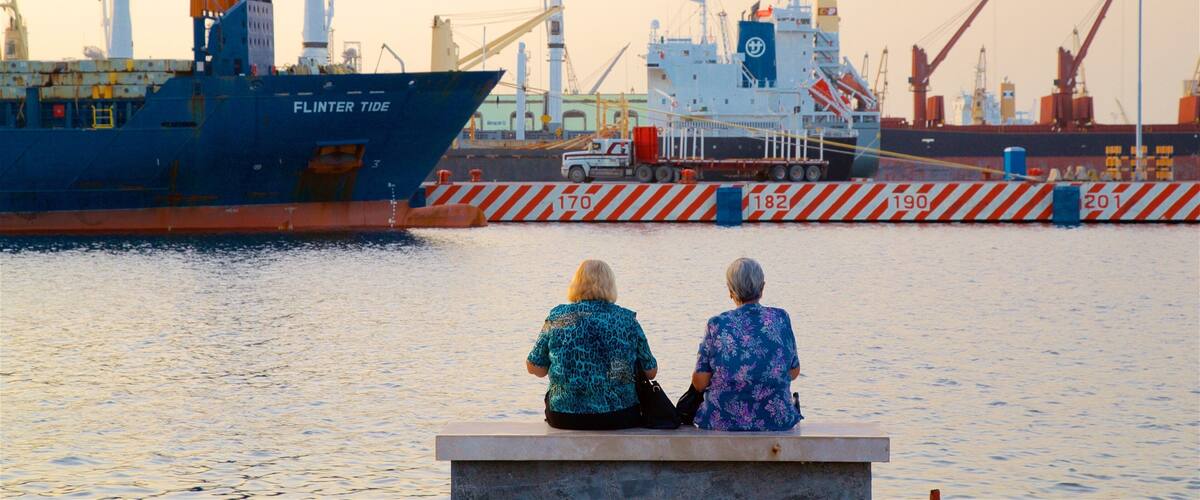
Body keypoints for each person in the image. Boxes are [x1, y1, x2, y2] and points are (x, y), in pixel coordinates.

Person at [526, 260, 659, 430]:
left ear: (576, 284)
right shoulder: (626, 319)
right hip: (620, 415)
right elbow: (651, 372)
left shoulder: (558, 317)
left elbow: (535, 367)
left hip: (564, 416)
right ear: (610, 285)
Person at [690, 258, 802, 431]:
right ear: (762, 287)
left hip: (722, 422)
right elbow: (793, 372)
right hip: (777, 421)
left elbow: (700, 383)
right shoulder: (781, 318)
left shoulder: (717, 324)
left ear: (730, 290)